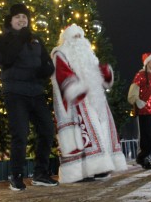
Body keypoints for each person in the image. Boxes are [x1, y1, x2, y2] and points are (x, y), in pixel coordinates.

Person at [0, 4, 58, 191]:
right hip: (15, 92)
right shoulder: (2, 40)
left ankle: (40, 173)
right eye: (18, 17)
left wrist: (44, 70)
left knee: (47, 130)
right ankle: (17, 175)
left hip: (36, 92)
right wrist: (20, 38)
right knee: (20, 134)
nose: (22, 20)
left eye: (25, 18)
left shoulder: (36, 40)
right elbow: (5, 59)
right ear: (10, 20)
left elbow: (47, 63)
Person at [51, 24, 127, 183]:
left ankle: (100, 168)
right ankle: (80, 173)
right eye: (74, 36)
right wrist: (76, 88)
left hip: (95, 101)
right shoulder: (60, 53)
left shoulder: (89, 55)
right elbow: (63, 75)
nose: (78, 40)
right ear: (66, 39)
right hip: (76, 102)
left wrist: (105, 73)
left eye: (80, 36)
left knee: (100, 134)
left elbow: (98, 73)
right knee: (81, 138)